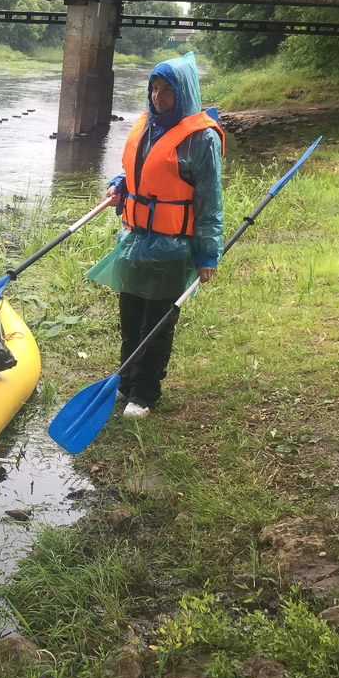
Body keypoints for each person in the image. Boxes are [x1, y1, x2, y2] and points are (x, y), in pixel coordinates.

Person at [86, 51, 224, 419]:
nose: (158, 98)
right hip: (134, 238)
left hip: (173, 245)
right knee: (130, 317)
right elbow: (137, 172)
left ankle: (145, 394)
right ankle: (126, 381)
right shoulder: (148, 125)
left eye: (167, 92)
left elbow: (210, 203)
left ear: (184, 94)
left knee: (157, 323)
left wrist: (208, 254)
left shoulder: (202, 140)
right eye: (154, 90)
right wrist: (119, 184)